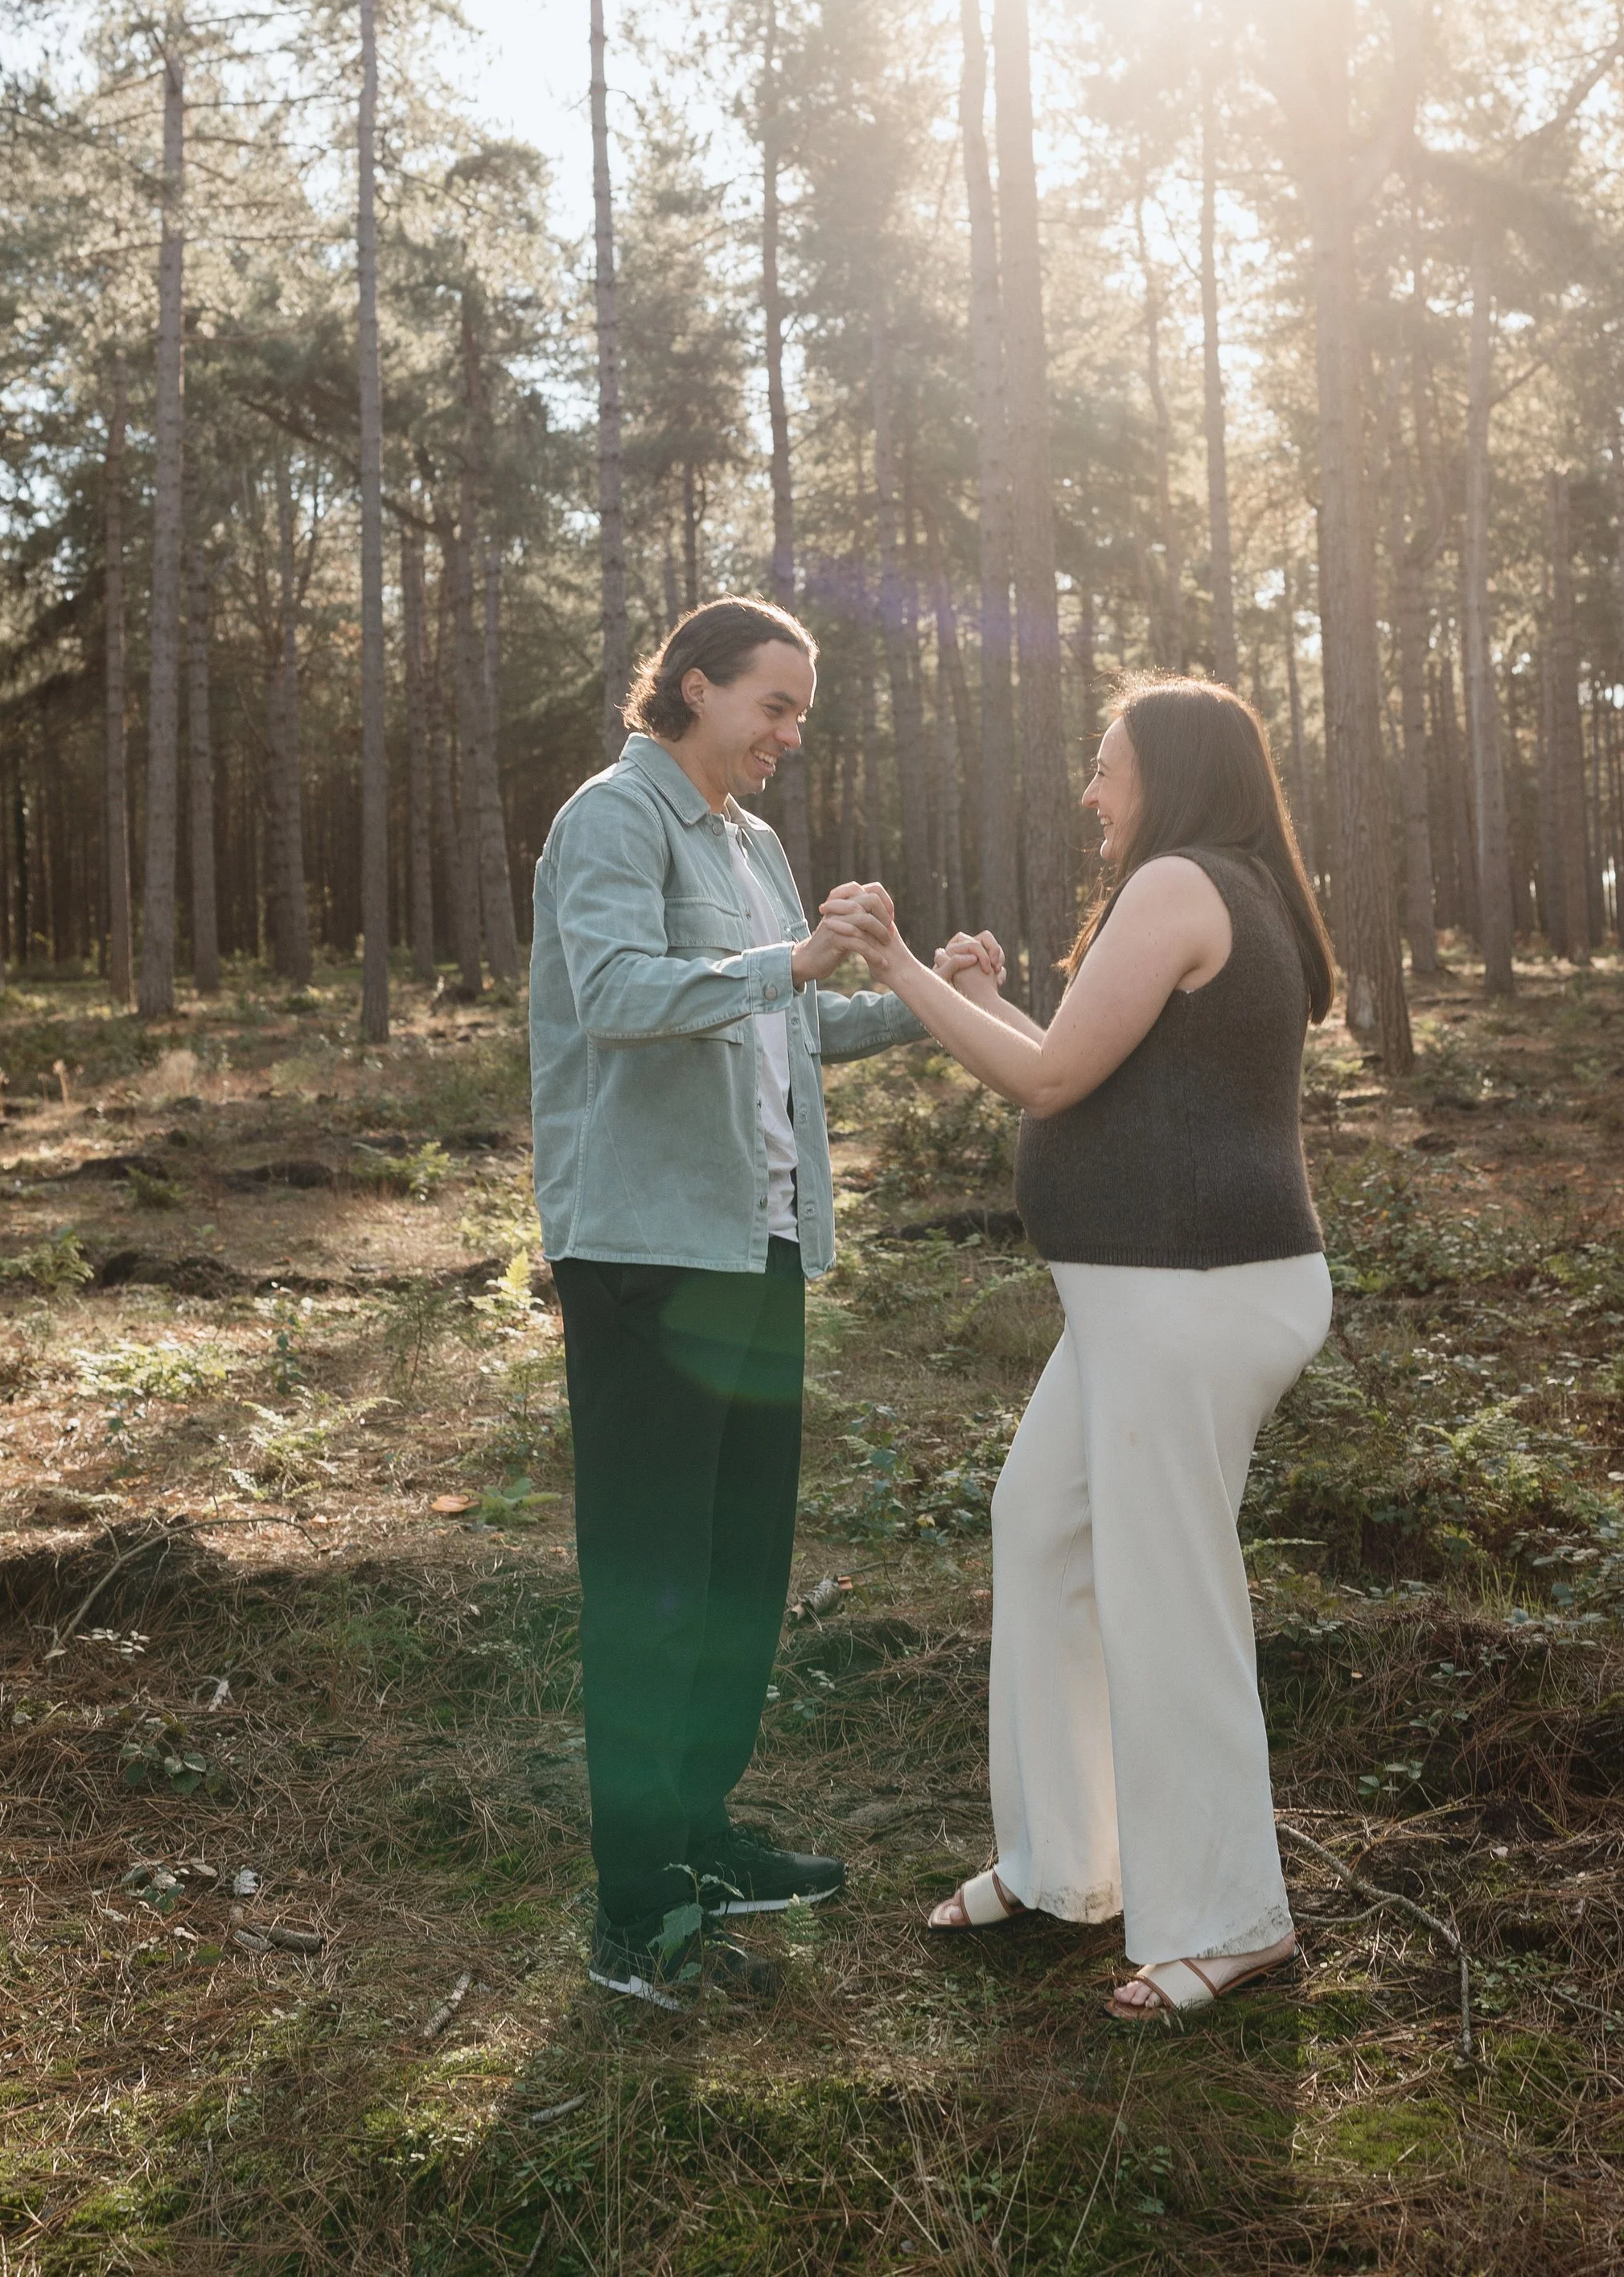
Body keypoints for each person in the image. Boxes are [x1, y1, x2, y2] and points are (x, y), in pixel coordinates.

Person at [821, 674, 1334, 2025]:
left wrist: (903, 967)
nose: (1090, 790)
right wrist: (977, 994)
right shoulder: (1216, 882)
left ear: (1168, 771)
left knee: (1170, 1592)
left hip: (1194, 1293)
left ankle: (1229, 1920)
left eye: (1105, 765)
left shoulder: (1179, 881)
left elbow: (1045, 1086)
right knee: (1040, 1529)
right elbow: (1081, 1067)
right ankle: (1065, 1866)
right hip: (1140, 1298)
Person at [532, 595, 966, 2007]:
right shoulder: (616, 817)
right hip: (647, 1254)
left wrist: (916, 986)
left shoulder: (759, 843)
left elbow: (803, 1015)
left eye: (802, 714)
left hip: (757, 1244)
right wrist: (788, 958)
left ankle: (703, 1834)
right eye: (774, 705)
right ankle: (635, 1911)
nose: (791, 735)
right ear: (696, 685)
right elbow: (614, 992)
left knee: (733, 1571)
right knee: (652, 1579)